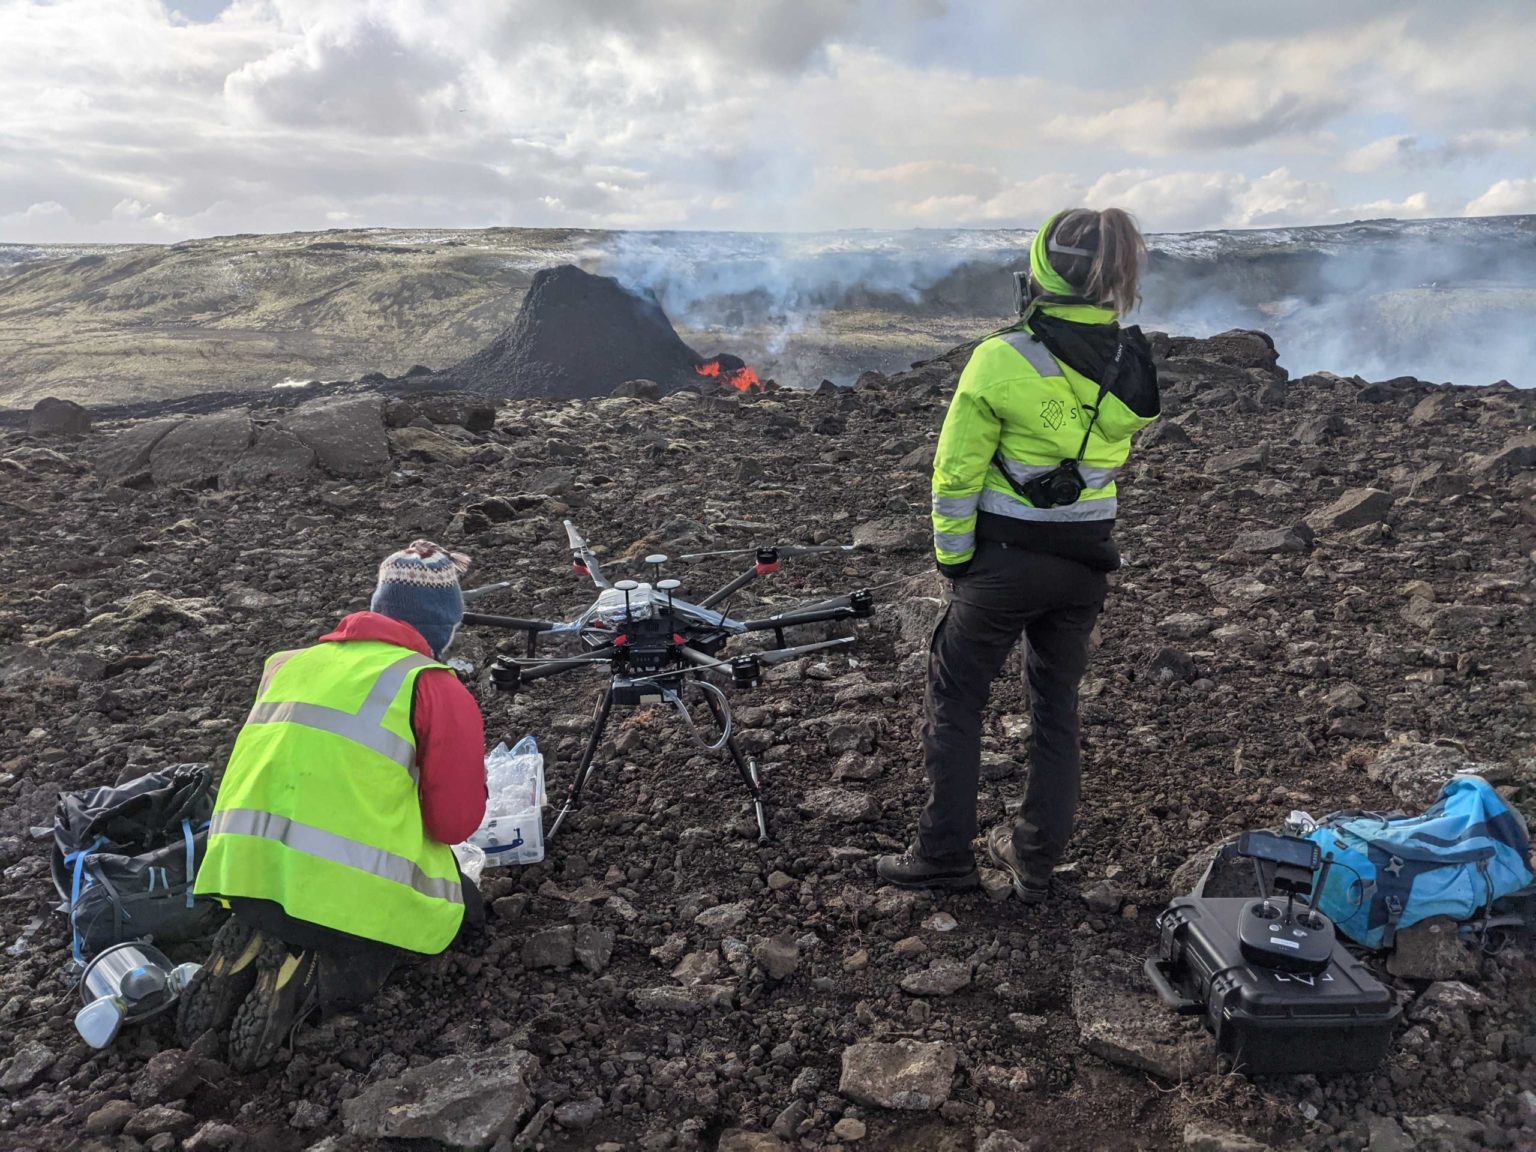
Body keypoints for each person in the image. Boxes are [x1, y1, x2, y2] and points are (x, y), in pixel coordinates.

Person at [877, 208, 1162, 900]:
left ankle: (944, 856)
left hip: (1003, 561)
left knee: (958, 697)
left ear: (1038, 271)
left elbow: (954, 475)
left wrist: (953, 560)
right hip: (1085, 564)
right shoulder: (1133, 362)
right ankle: (1035, 861)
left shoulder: (1001, 358)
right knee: (1055, 708)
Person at [178, 541, 488, 1070]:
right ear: (442, 627)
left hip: (240, 870)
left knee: (289, 888)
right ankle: (318, 978)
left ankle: (260, 932)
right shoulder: (431, 685)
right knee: (465, 914)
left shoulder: (287, 665)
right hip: (339, 895)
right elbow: (454, 823)